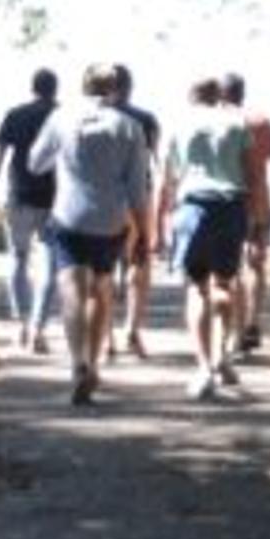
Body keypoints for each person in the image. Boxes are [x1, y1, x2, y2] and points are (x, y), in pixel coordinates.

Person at [26, 63, 155, 408]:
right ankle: (94, 363)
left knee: (71, 289)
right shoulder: (130, 127)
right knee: (101, 288)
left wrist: (62, 160)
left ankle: (77, 363)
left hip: (69, 215)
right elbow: (137, 189)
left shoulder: (61, 118)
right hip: (111, 220)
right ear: (115, 89)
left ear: (83, 86)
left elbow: (35, 163)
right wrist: (144, 232)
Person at [163, 75, 258, 401]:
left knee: (197, 287)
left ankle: (204, 367)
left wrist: (164, 219)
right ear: (218, 97)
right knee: (224, 284)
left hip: (194, 207)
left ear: (191, 97)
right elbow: (253, 174)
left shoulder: (180, 124)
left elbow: (169, 178)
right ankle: (221, 355)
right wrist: (256, 217)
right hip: (231, 206)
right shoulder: (238, 124)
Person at [0, 67, 63, 353]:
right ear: (56, 89)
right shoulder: (63, 117)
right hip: (54, 200)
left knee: (18, 258)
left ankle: (22, 325)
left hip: (19, 196)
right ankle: (39, 329)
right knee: (51, 264)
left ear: (32, 88)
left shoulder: (15, 115)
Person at [225, 69, 270, 355]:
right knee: (256, 263)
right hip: (260, 202)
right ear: (242, 92)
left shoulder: (220, 123)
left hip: (229, 203)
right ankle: (253, 322)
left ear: (222, 94)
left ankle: (237, 330)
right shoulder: (263, 123)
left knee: (232, 268)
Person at [106, 62, 164, 363]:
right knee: (139, 263)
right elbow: (156, 161)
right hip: (140, 196)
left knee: (101, 269)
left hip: (104, 199)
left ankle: (106, 337)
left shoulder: (93, 119)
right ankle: (132, 329)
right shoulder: (147, 119)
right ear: (130, 87)